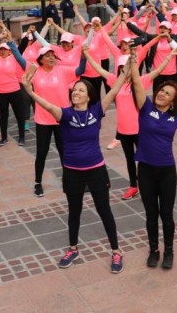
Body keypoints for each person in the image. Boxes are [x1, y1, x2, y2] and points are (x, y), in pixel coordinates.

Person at [21, 61, 130, 273]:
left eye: (81, 90)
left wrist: (125, 73)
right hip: (72, 172)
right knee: (74, 211)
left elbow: (114, 90)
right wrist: (29, 91)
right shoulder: (66, 114)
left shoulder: (97, 111)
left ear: (89, 96)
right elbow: (47, 105)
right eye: (74, 90)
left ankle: (116, 251)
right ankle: (73, 248)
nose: (76, 92)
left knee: (104, 210)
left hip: (96, 169)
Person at [130, 47, 177, 269]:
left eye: (167, 94)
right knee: (151, 213)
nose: (162, 94)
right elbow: (136, 83)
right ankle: (154, 250)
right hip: (145, 169)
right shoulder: (146, 108)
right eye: (161, 91)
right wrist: (135, 62)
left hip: (166, 172)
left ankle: (169, 251)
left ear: (173, 101)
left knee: (167, 215)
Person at [83, 45, 172, 200]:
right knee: (130, 159)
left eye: (129, 67)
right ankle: (133, 185)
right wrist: (86, 55)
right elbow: (99, 69)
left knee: (146, 158)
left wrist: (170, 56)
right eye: (123, 67)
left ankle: (150, 184)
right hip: (123, 131)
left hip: (140, 130)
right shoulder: (115, 81)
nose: (126, 70)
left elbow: (157, 72)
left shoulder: (140, 82)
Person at [26, 46, 87, 197]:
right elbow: (25, 82)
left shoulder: (62, 70)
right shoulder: (36, 73)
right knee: (41, 152)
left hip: (62, 119)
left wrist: (84, 56)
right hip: (43, 120)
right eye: (47, 56)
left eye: (53, 55)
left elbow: (79, 71)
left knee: (65, 152)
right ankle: (38, 183)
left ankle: (69, 180)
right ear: (41, 59)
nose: (51, 58)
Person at [0, 25, 29, 147]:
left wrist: (8, 35)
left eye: (4, 49)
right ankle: (4, 138)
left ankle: (22, 137)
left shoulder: (14, 59)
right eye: (1, 49)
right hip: (1, 93)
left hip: (15, 91)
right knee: (3, 116)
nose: (2, 51)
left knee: (19, 114)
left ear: (9, 50)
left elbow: (19, 49)